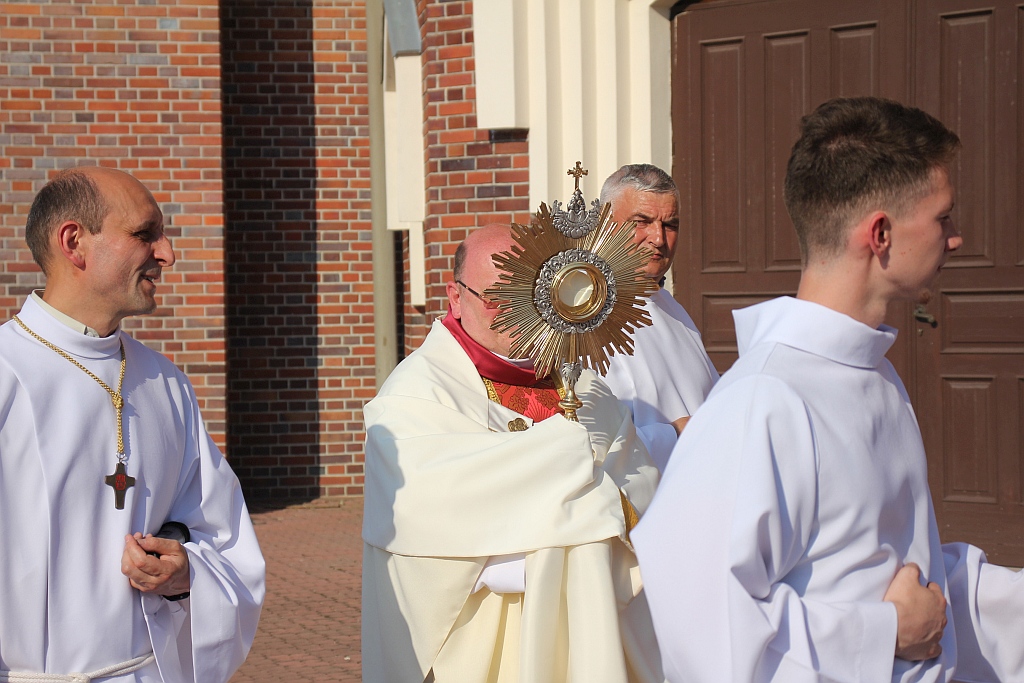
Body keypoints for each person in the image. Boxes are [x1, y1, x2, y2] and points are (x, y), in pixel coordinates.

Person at [633, 97, 1024, 683]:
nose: (957, 237)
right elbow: (702, 626)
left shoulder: (873, 374)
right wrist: (885, 632)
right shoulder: (764, 402)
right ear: (882, 233)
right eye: (943, 217)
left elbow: (891, 569)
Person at [361, 224, 663, 682]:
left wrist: (577, 497)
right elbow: (429, 514)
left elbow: (639, 483)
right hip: (483, 639)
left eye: (525, 292)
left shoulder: (582, 387)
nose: (514, 313)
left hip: (596, 624)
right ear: (455, 296)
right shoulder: (415, 397)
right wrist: (576, 480)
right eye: (496, 297)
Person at [0, 166, 266, 682]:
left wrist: (185, 573)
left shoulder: (165, 383)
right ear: (74, 242)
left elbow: (221, 534)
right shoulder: (6, 373)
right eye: (145, 235)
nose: (166, 253)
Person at [599, 164, 718, 471]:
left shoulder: (672, 309)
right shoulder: (584, 317)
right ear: (605, 225)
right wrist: (675, 434)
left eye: (671, 224)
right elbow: (592, 445)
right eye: (642, 222)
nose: (659, 239)